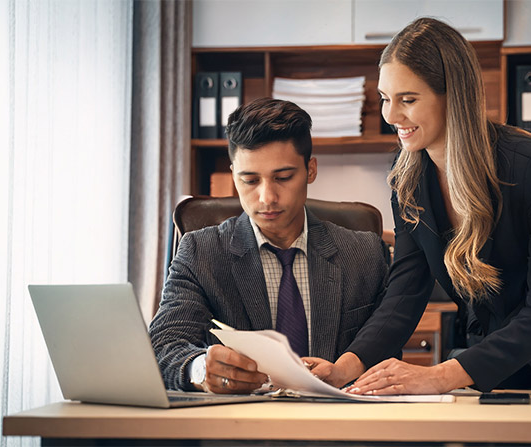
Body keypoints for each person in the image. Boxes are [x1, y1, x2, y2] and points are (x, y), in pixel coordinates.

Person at [307, 17, 531, 394]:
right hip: (491, 363)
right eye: (384, 99)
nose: (391, 116)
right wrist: (344, 367)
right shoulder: (407, 174)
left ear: (454, 96)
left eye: (407, 100)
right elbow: (406, 290)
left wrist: (438, 376)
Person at [149, 97, 389, 394]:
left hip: (339, 428)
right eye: (249, 180)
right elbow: (162, 347)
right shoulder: (201, 252)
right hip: (239, 430)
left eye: (283, 177)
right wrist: (200, 368)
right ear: (234, 175)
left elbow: (385, 353)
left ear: (310, 170)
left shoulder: (365, 253)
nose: (266, 198)